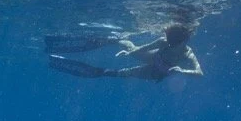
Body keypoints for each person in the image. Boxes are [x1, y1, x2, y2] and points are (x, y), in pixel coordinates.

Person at [46, 24, 203, 81]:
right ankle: (117, 40)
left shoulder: (188, 54)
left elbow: (199, 72)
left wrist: (183, 71)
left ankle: (102, 72)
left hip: (157, 71)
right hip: (154, 57)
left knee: (123, 73)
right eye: (168, 41)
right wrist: (131, 51)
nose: (169, 44)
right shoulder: (163, 42)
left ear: (183, 41)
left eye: (172, 43)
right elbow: (145, 47)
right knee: (130, 47)